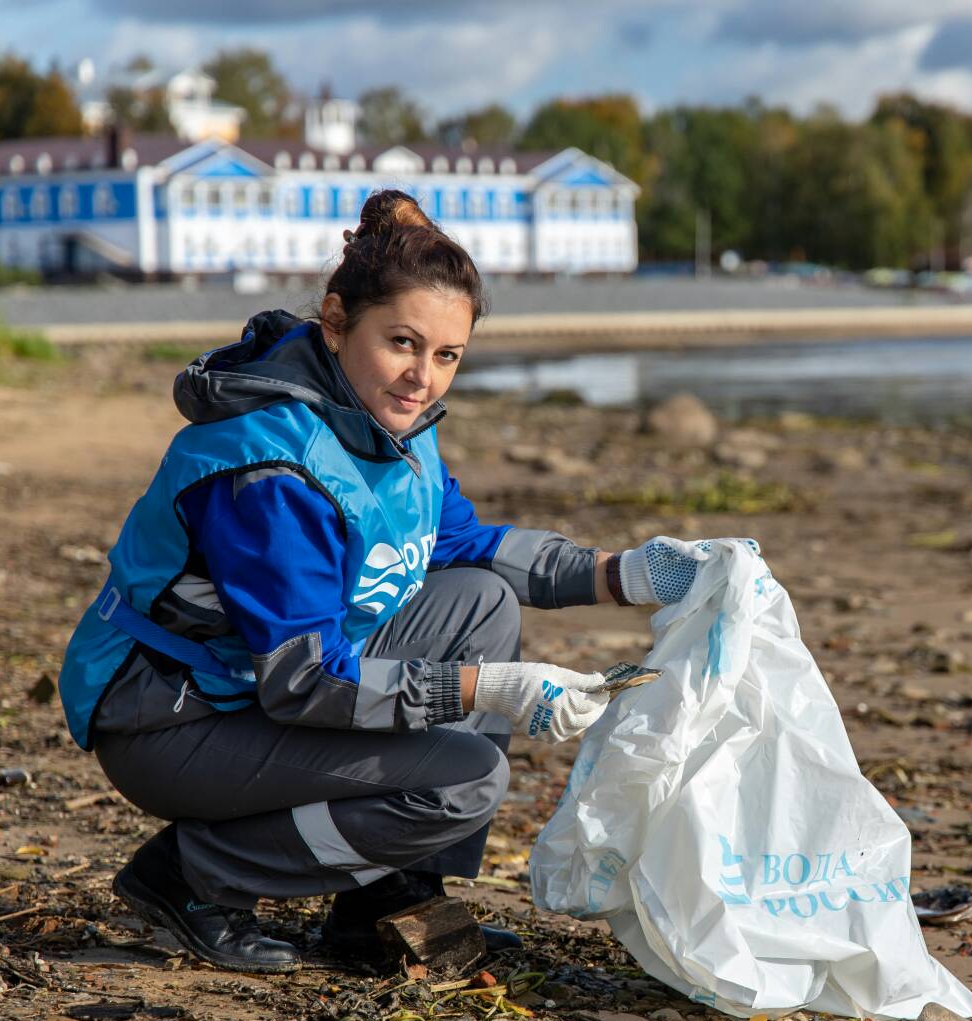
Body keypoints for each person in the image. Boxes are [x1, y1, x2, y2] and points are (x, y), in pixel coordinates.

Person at [59, 189, 743, 974]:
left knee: (480, 600)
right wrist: (490, 690)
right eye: (404, 344)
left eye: (446, 356)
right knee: (465, 779)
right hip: (169, 721)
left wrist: (627, 574)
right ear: (337, 321)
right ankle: (192, 877)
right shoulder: (272, 472)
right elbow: (304, 685)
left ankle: (386, 900)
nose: (423, 378)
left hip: (249, 688)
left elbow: (463, 547)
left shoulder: (390, 426)